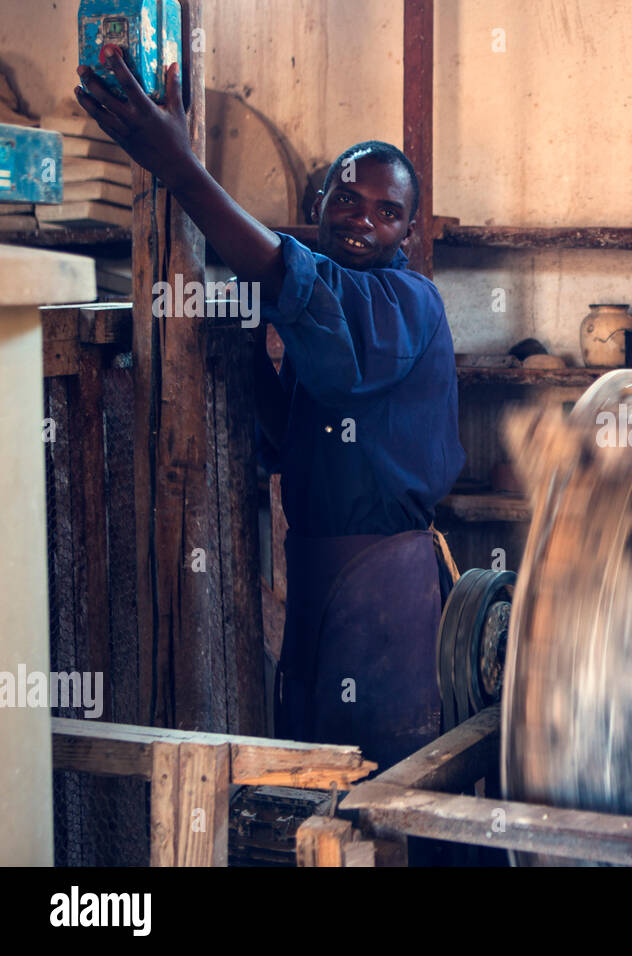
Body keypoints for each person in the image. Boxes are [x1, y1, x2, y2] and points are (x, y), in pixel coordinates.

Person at [75, 49, 466, 770]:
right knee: (315, 775)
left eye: (387, 213)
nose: (362, 221)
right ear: (320, 202)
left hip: (390, 591)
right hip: (316, 575)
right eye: (347, 200)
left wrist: (183, 169)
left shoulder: (406, 304)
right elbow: (282, 441)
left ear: (408, 235)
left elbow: (309, 292)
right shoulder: (342, 307)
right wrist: (244, 342)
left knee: (378, 788)